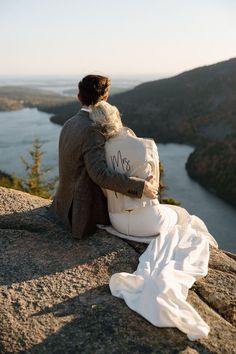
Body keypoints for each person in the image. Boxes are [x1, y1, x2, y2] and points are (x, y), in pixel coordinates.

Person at [89, 101, 218, 341]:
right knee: (183, 217)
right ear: (119, 118)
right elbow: (154, 189)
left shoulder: (98, 154)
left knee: (177, 218)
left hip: (117, 220)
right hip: (147, 220)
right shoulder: (145, 145)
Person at [51, 75, 158, 239]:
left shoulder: (69, 123)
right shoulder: (93, 129)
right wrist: (141, 186)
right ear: (105, 98)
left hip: (62, 206)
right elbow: (99, 174)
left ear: (79, 97)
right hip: (83, 215)